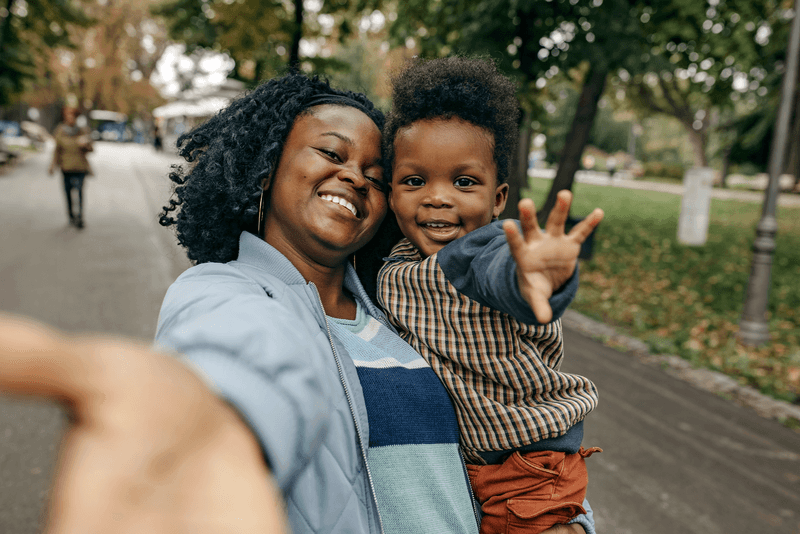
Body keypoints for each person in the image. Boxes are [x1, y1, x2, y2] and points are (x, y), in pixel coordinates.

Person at [0, 70, 593, 534]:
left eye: (377, 172)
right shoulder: (225, 292)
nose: (355, 178)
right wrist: (214, 411)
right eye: (331, 155)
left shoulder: (398, 302)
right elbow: (240, 353)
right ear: (266, 170)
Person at [376, 56, 604, 534]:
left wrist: (537, 278)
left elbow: (501, 273)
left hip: (528, 464)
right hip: (472, 463)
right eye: (415, 181)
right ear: (391, 192)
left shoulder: (482, 250)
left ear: (497, 199)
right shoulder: (394, 261)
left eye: (464, 182)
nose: (438, 197)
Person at [49, 106, 93, 229]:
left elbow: (91, 149)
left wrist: (86, 144)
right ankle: (71, 215)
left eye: (72, 115)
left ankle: (80, 216)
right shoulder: (60, 130)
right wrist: (52, 166)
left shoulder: (82, 130)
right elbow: (57, 150)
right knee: (67, 192)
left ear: (76, 117)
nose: (69, 118)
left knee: (79, 192)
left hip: (80, 167)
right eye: (67, 115)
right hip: (66, 167)